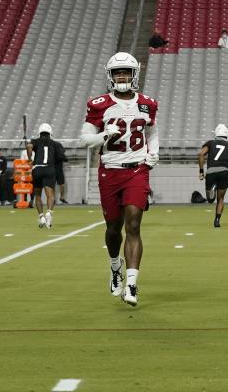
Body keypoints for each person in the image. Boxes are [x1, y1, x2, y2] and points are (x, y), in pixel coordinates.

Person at [80, 52, 159, 307]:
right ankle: (115, 266)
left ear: (134, 74)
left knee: (133, 225)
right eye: (117, 73)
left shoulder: (147, 103)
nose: (122, 76)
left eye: (126, 72)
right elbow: (86, 140)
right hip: (110, 171)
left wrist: (153, 152)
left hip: (137, 170)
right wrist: (105, 135)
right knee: (113, 229)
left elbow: (152, 131)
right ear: (110, 75)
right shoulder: (99, 103)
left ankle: (132, 284)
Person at [198, 123, 228, 227]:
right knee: (220, 198)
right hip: (224, 172)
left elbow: (201, 154)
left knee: (210, 199)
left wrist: (201, 171)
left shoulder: (210, 143)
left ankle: (213, 186)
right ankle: (217, 220)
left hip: (211, 171)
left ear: (215, 133)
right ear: (227, 134)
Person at [27, 124, 59, 229]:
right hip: (49, 168)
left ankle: (41, 216)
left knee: (38, 194)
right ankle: (49, 212)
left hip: (37, 168)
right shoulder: (54, 143)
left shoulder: (35, 141)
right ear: (50, 132)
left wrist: (30, 158)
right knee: (50, 194)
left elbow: (29, 146)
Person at [54, 138, 68, 204]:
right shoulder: (60, 154)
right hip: (58, 170)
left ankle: (55, 198)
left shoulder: (52, 153)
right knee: (61, 184)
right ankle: (61, 197)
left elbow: (65, 159)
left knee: (52, 185)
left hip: (54, 170)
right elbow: (66, 159)